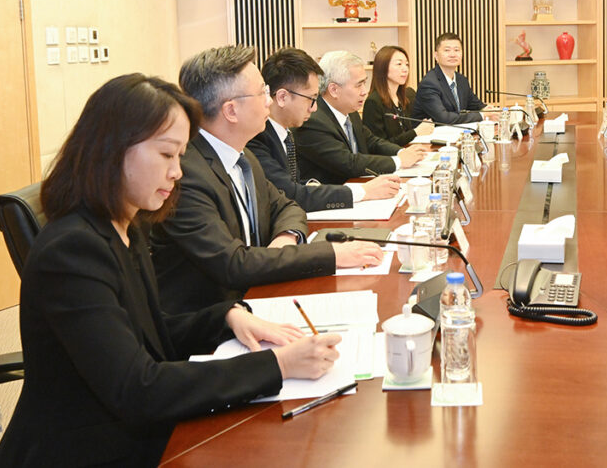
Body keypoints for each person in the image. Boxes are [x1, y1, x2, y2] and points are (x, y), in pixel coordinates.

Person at [0, 74, 342, 466]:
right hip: (82, 450)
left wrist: (225, 317)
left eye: (180, 156)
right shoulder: (73, 250)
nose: (178, 172)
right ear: (113, 150)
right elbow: (138, 387)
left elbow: (148, 332)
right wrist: (277, 365)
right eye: (166, 155)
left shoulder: (124, 227)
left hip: (130, 432)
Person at [149, 46, 384, 314]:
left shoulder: (243, 155)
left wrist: (286, 238)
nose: (269, 102)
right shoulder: (186, 175)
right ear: (231, 111)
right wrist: (333, 254)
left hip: (259, 297)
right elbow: (234, 264)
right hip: (212, 320)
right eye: (262, 92)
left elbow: (287, 205)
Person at [247, 47, 401, 211]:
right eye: (311, 99)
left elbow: (295, 185)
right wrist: (363, 191)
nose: (314, 108)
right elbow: (289, 194)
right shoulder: (256, 138)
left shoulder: (285, 134)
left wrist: (312, 186)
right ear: (282, 97)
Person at [294, 50, 428, 183]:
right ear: (334, 90)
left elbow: (371, 141)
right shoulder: (312, 120)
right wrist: (398, 161)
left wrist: (400, 152)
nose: (364, 91)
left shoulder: (349, 110)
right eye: (358, 85)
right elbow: (349, 163)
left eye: (364, 83)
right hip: (337, 192)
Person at [362, 45, 434, 146]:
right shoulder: (373, 102)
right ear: (383, 67)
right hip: (393, 155)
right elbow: (378, 146)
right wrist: (416, 132)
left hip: (413, 150)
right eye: (399, 64)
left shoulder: (408, 95)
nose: (405, 69)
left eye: (407, 64)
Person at [412, 32, 486, 124]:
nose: (452, 54)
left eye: (456, 50)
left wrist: (487, 109)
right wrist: (482, 115)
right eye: (447, 50)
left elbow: (475, 105)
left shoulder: (461, 80)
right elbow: (444, 118)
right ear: (436, 56)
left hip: (456, 130)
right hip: (433, 131)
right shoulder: (429, 83)